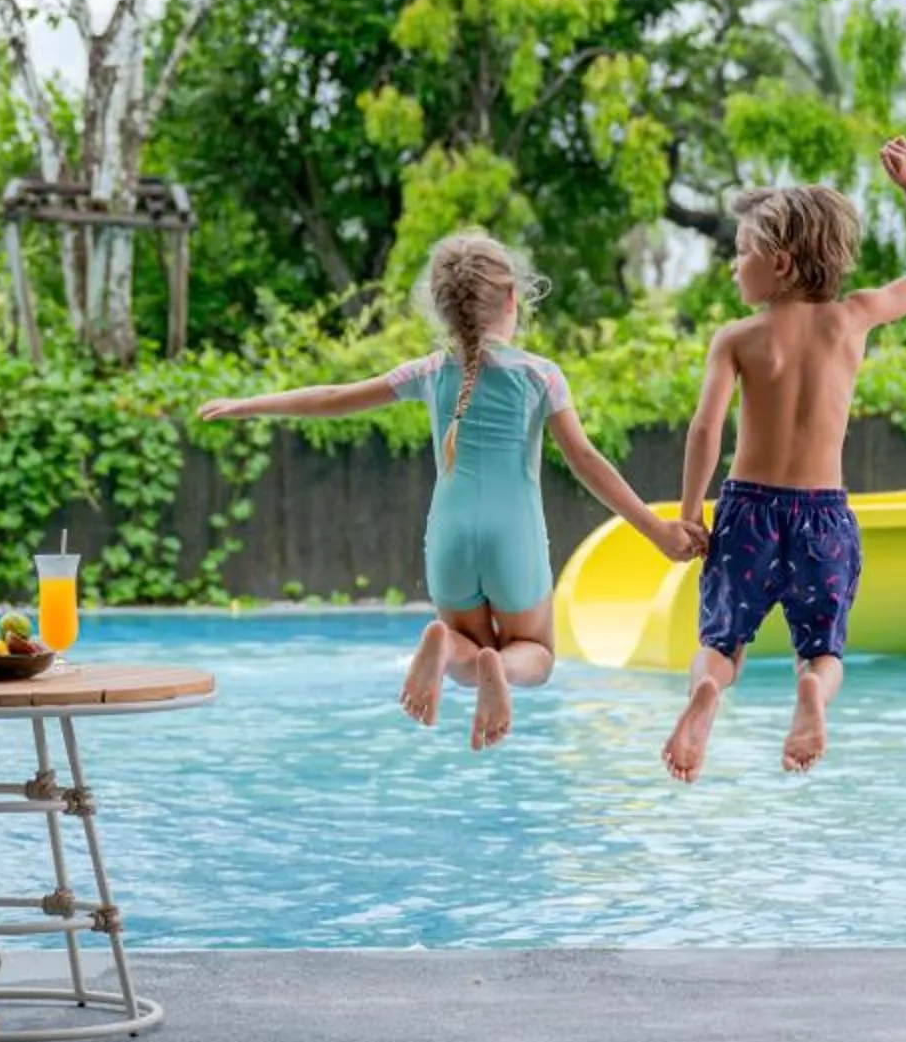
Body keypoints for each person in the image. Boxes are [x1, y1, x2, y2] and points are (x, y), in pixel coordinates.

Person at [198, 233, 685, 750]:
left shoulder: (430, 372)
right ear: (512, 299)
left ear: (443, 309)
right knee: (536, 654)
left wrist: (249, 403)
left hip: (449, 536)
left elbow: (335, 397)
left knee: (465, 659)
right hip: (512, 534)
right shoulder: (541, 376)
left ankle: (446, 648)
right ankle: (500, 666)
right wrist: (655, 529)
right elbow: (587, 461)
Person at [662, 136, 906, 781]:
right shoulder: (854, 319)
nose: (734, 267)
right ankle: (812, 691)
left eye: (742, 254)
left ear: (781, 264)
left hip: (747, 512)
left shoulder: (736, 339)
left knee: (719, 644)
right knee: (821, 650)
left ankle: (709, 692)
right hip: (824, 518)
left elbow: (705, 429)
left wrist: (688, 511)